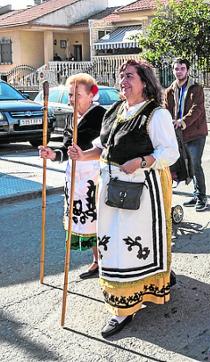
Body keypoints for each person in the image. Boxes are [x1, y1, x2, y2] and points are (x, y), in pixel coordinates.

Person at [67, 59, 179, 338]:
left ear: (144, 81)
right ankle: (128, 295)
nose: (123, 81)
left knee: (131, 246)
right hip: (111, 187)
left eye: (129, 76)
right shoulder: (115, 110)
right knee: (112, 244)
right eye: (121, 76)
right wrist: (82, 155)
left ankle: (124, 308)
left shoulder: (156, 114)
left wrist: (142, 161)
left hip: (141, 190)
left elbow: (171, 152)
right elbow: (102, 146)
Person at [38, 73, 105, 279]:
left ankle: (107, 261)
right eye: (69, 94)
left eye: (77, 94)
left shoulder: (102, 115)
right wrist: (53, 154)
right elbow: (66, 148)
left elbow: (106, 147)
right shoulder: (72, 116)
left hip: (96, 173)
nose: (72, 99)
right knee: (86, 220)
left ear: (91, 95)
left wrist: (85, 155)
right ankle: (96, 260)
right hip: (76, 176)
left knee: (99, 219)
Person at [164, 58, 209, 211]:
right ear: (173, 71)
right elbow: (166, 110)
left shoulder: (196, 88)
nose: (179, 71)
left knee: (195, 164)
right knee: (187, 166)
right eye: (176, 69)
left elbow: (197, 109)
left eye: (182, 68)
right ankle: (196, 194)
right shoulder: (169, 91)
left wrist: (182, 121)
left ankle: (202, 197)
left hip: (196, 133)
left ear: (187, 71)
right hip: (179, 135)